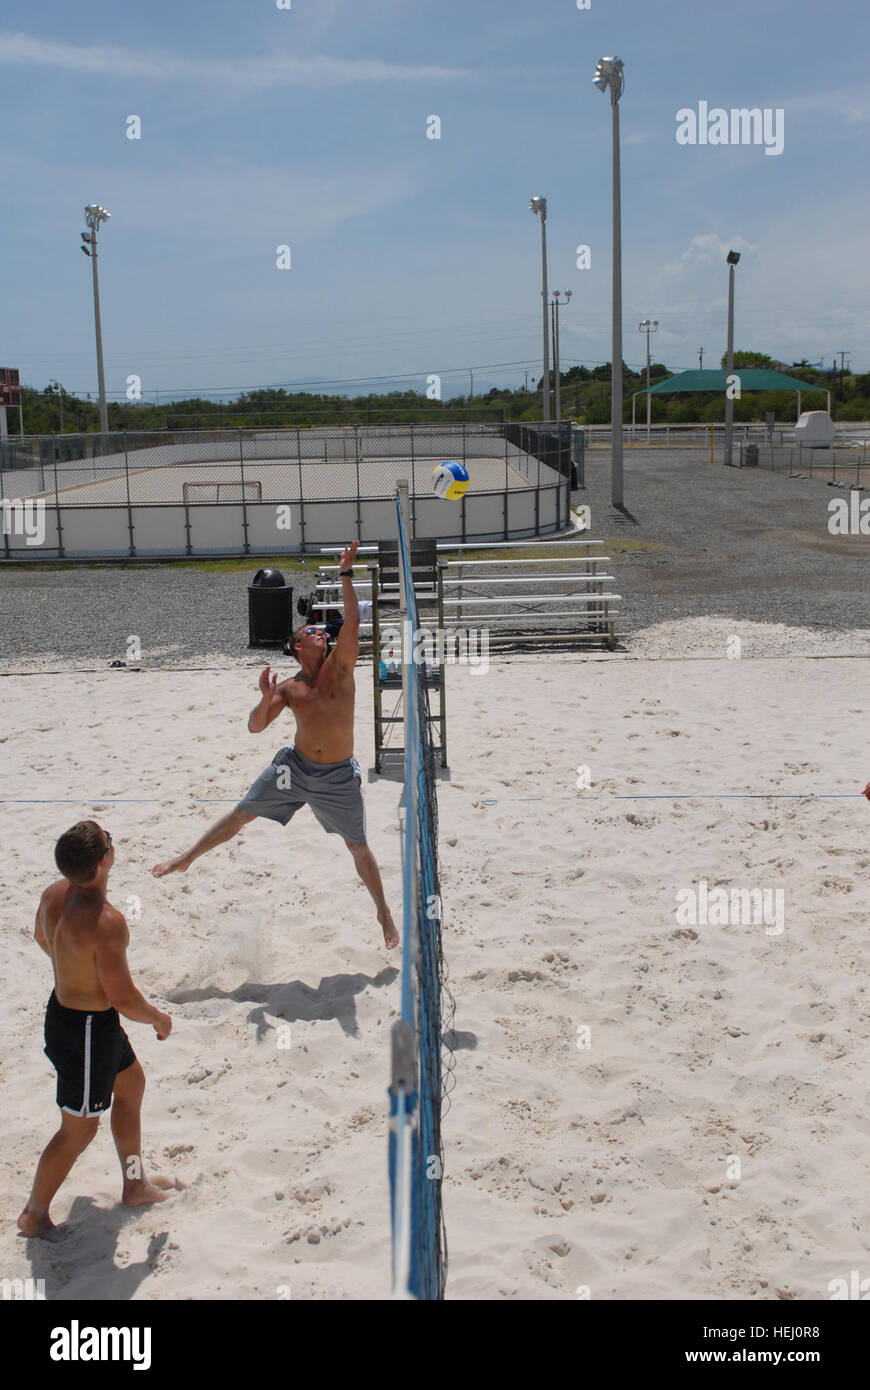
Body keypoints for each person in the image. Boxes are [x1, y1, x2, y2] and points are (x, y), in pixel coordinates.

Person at [153, 540, 399, 949]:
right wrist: (265, 697)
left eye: (323, 631)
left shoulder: (340, 667)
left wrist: (346, 573)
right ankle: (186, 858)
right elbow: (254, 728)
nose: (323, 632)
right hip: (295, 769)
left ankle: (383, 912)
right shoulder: (289, 688)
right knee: (240, 815)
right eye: (314, 632)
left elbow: (353, 622)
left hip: (337, 775)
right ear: (299, 647)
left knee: (358, 845)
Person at [18, 821, 173, 1239]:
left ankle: (135, 1183)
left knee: (132, 1086)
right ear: (104, 860)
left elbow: (40, 936)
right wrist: (159, 1019)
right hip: (86, 1031)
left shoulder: (53, 893)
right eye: (111, 839)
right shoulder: (107, 922)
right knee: (78, 1130)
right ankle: (33, 1215)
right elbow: (123, 998)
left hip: (75, 1017)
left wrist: (72, 967)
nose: (113, 842)